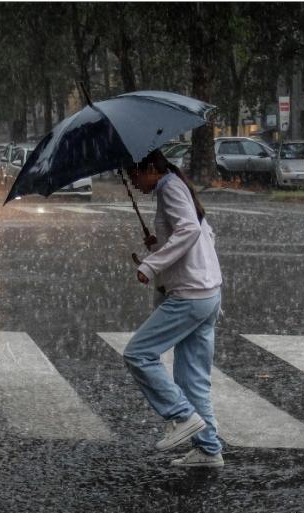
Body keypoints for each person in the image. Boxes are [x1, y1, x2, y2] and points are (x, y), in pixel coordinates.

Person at [123, 148, 224, 468]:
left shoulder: (169, 187)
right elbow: (203, 234)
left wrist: (152, 265)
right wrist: (159, 246)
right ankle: (209, 450)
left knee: (138, 354)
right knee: (192, 378)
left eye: (135, 175)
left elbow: (190, 231)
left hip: (190, 294)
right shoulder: (177, 186)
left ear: (150, 167)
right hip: (208, 293)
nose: (134, 183)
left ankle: (182, 416)